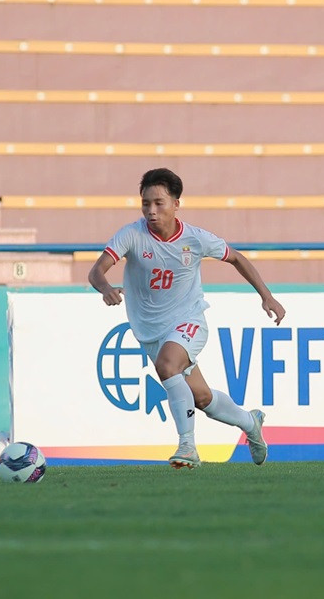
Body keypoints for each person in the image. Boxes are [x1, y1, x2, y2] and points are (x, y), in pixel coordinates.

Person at [88, 167, 286, 469]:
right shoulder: (132, 235)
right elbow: (96, 271)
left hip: (189, 320)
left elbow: (236, 257)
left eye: (159, 203)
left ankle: (187, 446)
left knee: (167, 366)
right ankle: (250, 422)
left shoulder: (195, 239)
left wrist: (266, 296)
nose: (151, 211)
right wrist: (105, 289)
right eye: (146, 204)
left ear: (176, 204)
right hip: (150, 331)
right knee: (202, 398)